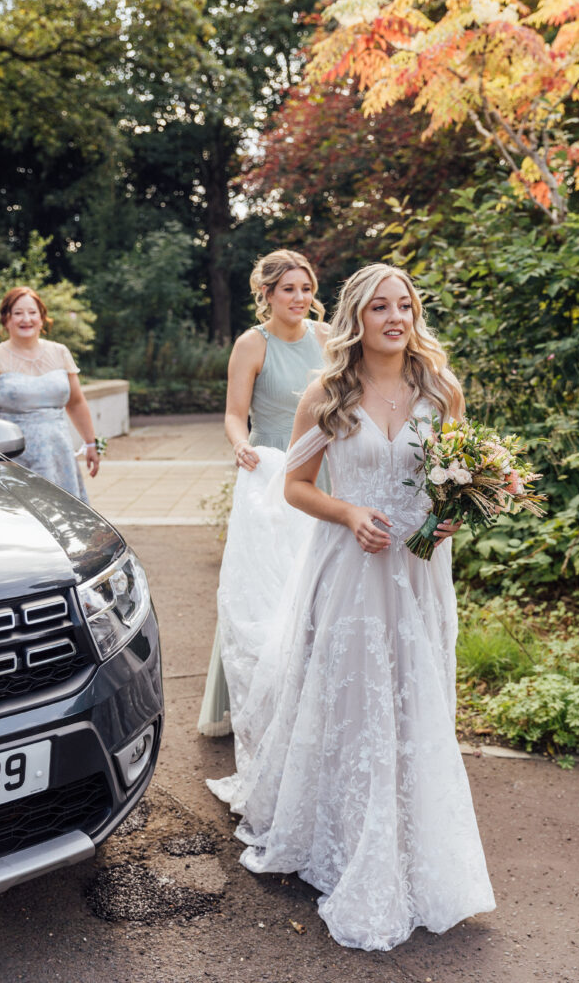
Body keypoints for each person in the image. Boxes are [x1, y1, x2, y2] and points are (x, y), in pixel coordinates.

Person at [209, 263, 495, 951]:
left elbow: (456, 478)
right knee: (354, 698)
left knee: (413, 694)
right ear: (356, 319)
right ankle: (339, 829)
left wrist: (451, 515)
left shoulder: (440, 389)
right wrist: (346, 511)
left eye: (404, 305)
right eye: (379, 308)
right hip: (349, 569)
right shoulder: (328, 392)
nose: (394, 318)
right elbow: (296, 486)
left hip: (419, 570)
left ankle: (413, 832)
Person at [197, 250, 330, 741]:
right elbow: (235, 414)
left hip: (325, 471)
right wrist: (240, 445)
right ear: (267, 294)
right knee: (265, 589)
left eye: (306, 289)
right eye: (289, 289)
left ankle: (314, 698)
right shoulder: (253, 345)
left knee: (316, 583)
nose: (300, 298)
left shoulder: (329, 338)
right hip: (272, 473)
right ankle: (261, 702)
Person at [0, 286, 99, 502]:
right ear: (6, 319)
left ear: (42, 318)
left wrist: (91, 443)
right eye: (18, 313)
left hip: (59, 455)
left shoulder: (60, 353)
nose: (26, 319)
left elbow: (76, 403)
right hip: (14, 456)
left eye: (32, 312)